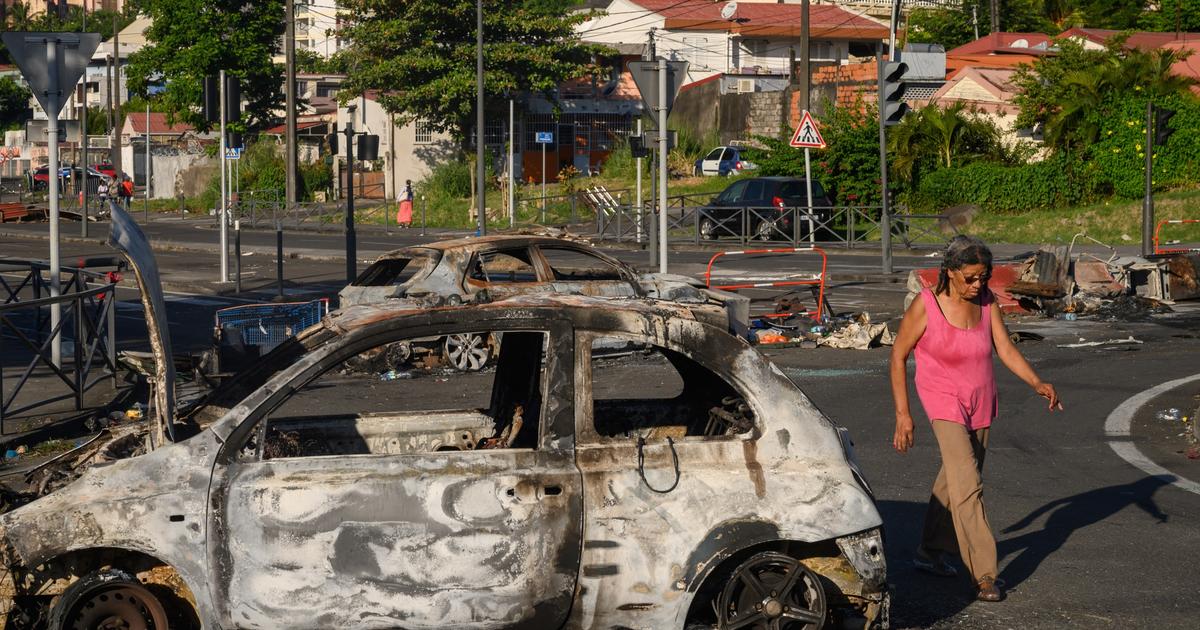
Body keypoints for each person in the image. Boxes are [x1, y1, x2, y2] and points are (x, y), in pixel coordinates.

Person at [890, 235, 1062, 603]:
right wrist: (903, 414)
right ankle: (984, 573)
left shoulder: (987, 303)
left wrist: (1036, 381)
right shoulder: (927, 305)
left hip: (981, 400)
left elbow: (1004, 347)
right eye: (970, 277)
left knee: (955, 479)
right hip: (942, 401)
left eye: (983, 277)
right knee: (969, 485)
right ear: (950, 272)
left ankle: (930, 551)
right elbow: (898, 356)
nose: (977, 284)